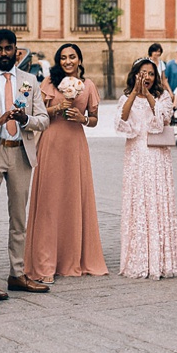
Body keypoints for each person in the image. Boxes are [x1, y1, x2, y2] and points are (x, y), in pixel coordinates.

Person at [0, 28, 50, 299]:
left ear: (16, 50)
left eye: (8, 48)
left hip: (20, 153)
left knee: (19, 217)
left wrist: (25, 119)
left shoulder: (30, 80)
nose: (4, 53)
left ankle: (17, 274)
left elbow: (44, 118)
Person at [24, 43, 107, 284]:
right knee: (50, 200)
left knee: (73, 199)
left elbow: (94, 119)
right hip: (52, 142)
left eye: (72, 57)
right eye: (63, 58)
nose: (68, 61)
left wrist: (83, 119)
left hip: (75, 145)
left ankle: (73, 257)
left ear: (79, 60)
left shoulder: (88, 85)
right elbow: (37, 114)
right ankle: (45, 261)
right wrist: (56, 108)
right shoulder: (49, 83)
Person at [115, 58, 177, 280]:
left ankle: (161, 261)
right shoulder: (126, 98)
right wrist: (135, 93)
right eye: (142, 73)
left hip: (157, 155)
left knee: (157, 202)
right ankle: (139, 259)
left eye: (151, 74)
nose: (147, 78)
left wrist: (150, 96)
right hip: (135, 156)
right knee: (139, 203)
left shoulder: (163, 97)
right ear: (134, 75)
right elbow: (121, 121)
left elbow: (163, 119)